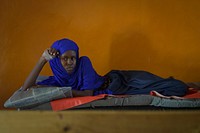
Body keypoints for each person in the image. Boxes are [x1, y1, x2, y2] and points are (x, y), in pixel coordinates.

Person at [21, 38, 188, 97]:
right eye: (65, 59)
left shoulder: (83, 62)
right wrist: (43, 59)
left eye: (73, 58)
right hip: (120, 89)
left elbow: (88, 93)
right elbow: (26, 88)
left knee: (173, 84)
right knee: (176, 88)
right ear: (57, 61)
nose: (70, 62)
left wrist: (65, 92)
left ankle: (190, 85)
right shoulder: (57, 80)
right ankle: (176, 83)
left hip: (120, 78)